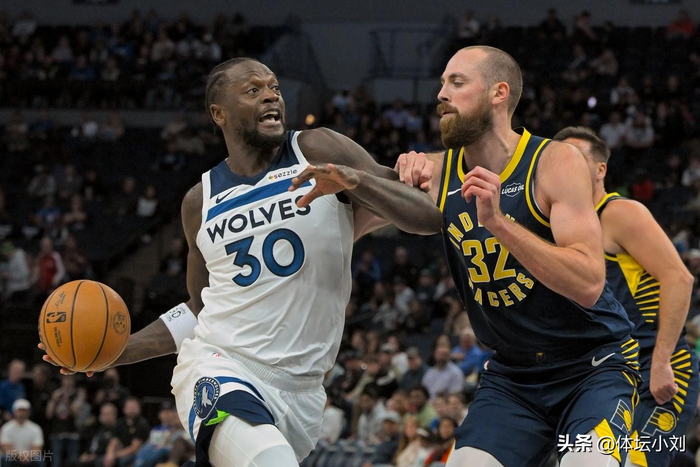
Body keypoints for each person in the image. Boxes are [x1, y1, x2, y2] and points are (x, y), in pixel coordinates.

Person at [41, 57, 440, 467]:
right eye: (253, 90)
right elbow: (200, 308)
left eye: (274, 88)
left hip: (302, 393)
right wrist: (117, 350)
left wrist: (357, 181)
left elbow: (426, 217)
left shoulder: (317, 149)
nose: (271, 96)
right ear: (220, 114)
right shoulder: (200, 201)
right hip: (219, 368)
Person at [360, 46, 640, 466]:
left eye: (457, 82)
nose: (441, 94)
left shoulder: (555, 161)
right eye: (442, 83)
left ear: (498, 93)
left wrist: (498, 223)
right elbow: (357, 217)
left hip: (593, 364)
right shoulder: (437, 172)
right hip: (514, 375)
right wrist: (358, 180)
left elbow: (588, 283)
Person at [553, 126, 699, 467]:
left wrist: (661, 362)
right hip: (606, 375)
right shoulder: (559, 228)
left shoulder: (618, 213)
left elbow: (679, 278)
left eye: (575, 157)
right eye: (557, 159)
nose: (565, 166)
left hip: (655, 366)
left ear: (600, 169)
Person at [0, 399, 44, 467]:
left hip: (29, 456)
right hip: (13, 456)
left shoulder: (35, 428)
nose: (22, 413)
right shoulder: (6, 427)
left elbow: (37, 448)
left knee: (40, 458)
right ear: (14, 411)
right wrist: (18, 455)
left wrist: (28, 456)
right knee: (5, 457)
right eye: (19, 410)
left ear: (28, 412)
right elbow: (5, 447)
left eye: (24, 411)